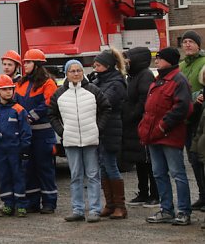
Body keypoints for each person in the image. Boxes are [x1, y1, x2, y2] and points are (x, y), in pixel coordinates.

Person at [50, 59, 111, 223]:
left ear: (83, 72)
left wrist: (98, 128)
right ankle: (77, 209)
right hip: (71, 141)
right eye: (72, 71)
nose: (76, 74)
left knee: (93, 175)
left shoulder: (93, 90)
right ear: (66, 74)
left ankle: (94, 210)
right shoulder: (59, 94)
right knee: (75, 176)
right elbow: (52, 114)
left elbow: (106, 108)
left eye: (79, 70)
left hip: (90, 139)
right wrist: (62, 131)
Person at [139, 47, 193, 226]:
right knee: (159, 174)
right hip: (154, 137)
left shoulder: (178, 80)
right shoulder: (159, 80)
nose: (156, 61)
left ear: (169, 60)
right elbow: (150, 109)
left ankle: (184, 212)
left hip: (169, 136)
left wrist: (163, 126)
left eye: (160, 58)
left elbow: (183, 108)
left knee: (178, 174)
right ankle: (166, 209)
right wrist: (144, 128)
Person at [15, 48, 58, 214]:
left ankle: (49, 203)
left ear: (37, 64)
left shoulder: (48, 83)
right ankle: (32, 202)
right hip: (26, 134)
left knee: (44, 168)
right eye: (25, 62)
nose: (25, 65)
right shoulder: (21, 83)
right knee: (29, 168)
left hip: (42, 134)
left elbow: (49, 104)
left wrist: (29, 117)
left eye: (28, 62)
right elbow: (16, 103)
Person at [89, 48, 128, 219]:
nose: (95, 68)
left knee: (111, 165)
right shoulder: (98, 81)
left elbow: (104, 101)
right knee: (103, 166)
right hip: (99, 128)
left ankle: (120, 206)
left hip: (111, 127)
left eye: (98, 65)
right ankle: (110, 204)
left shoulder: (117, 82)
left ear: (108, 65)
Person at [0, 75, 31, 217]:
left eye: (10, 89)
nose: (8, 92)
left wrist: (25, 150)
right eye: (4, 89)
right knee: (4, 177)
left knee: (18, 177)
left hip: (15, 150)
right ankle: (8, 204)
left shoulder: (19, 109)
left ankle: (21, 205)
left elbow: (26, 131)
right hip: (0, 150)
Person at [120, 47, 158, 206]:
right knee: (140, 161)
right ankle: (143, 192)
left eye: (128, 59)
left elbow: (144, 101)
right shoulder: (133, 76)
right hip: (134, 126)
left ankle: (155, 194)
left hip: (143, 124)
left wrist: (131, 115)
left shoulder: (145, 75)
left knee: (149, 162)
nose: (125, 62)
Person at [179, 30, 205, 210]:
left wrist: (195, 98)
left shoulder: (203, 63)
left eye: (191, 42)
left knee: (201, 158)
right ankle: (202, 196)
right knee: (193, 160)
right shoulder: (180, 66)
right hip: (186, 120)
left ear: (198, 45)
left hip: (201, 119)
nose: (187, 44)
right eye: (185, 42)